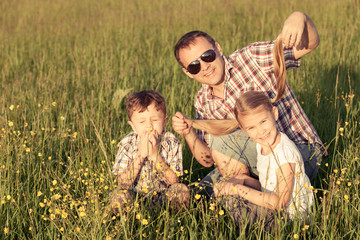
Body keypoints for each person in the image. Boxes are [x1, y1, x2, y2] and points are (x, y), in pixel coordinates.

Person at [172, 12, 325, 193]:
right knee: (201, 193)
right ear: (188, 72)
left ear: (218, 49)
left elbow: (309, 45)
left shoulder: (250, 59)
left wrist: (300, 18)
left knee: (224, 154)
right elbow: (209, 159)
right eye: (194, 65)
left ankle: (259, 201)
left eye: (207, 56)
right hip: (257, 161)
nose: (204, 66)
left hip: (298, 151)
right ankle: (252, 195)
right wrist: (189, 132)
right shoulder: (202, 102)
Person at [192, 91, 314, 227]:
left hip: (289, 219)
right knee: (229, 191)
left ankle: (245, 231)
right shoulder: (262, 145)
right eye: (251, 128)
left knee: (234, 199)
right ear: (243, 129)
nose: (260, 131)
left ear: (274, 114)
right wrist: (243, 180)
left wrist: (238, 189)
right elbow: (267, 186)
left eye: (263, 122)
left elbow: (279, 203)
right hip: (276, 209)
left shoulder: (284, 153)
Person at [110, 90, 189, 214]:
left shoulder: (172, 142)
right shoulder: (127, 143)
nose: (149, 126)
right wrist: (141, 154)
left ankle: (175, 223)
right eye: (142, 122)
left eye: (155, 120)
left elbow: (174, 181)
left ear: (164, 121)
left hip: (163, 195)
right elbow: (123, 183)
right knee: (118, 197)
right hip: (134, 195)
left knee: (181, 190)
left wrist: (155, 155)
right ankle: (123, 227)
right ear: (133, 126)